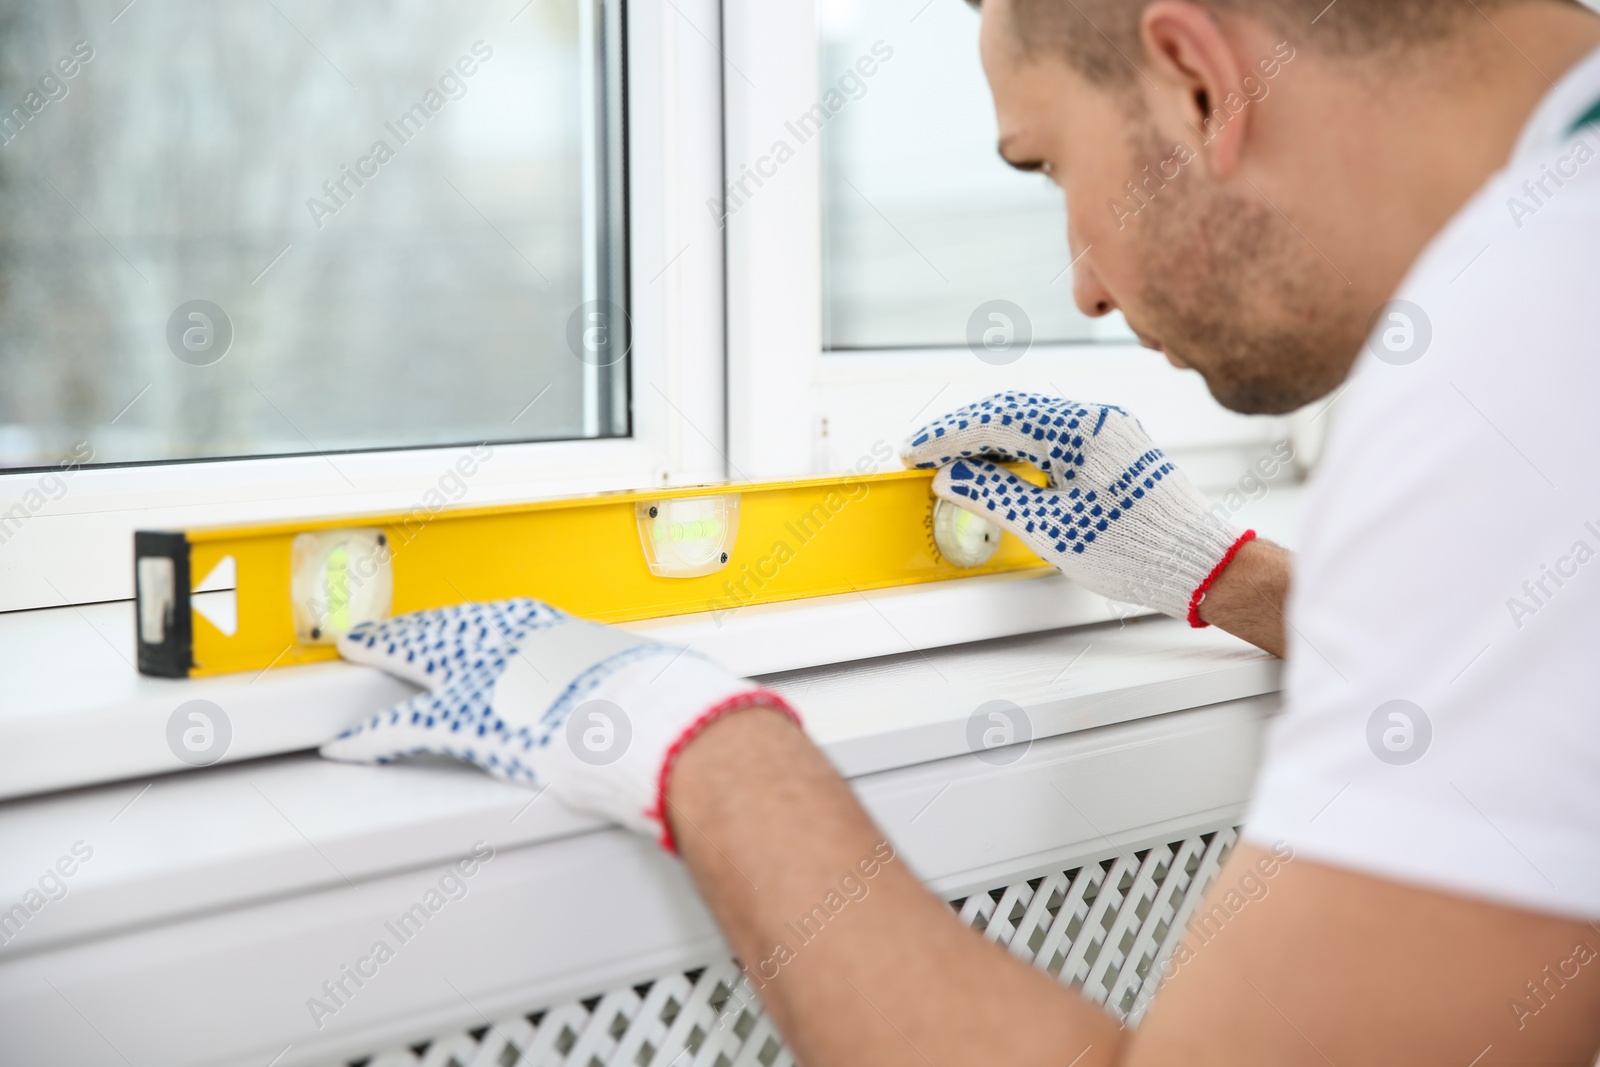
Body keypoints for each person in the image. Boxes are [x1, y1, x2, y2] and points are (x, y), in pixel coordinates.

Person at [322, 0, 1600, 1061]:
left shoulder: (1525, 349)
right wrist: (1228, 577)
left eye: (1046, 165)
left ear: (1199, 84)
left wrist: (704, 754)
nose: (1085, 285)